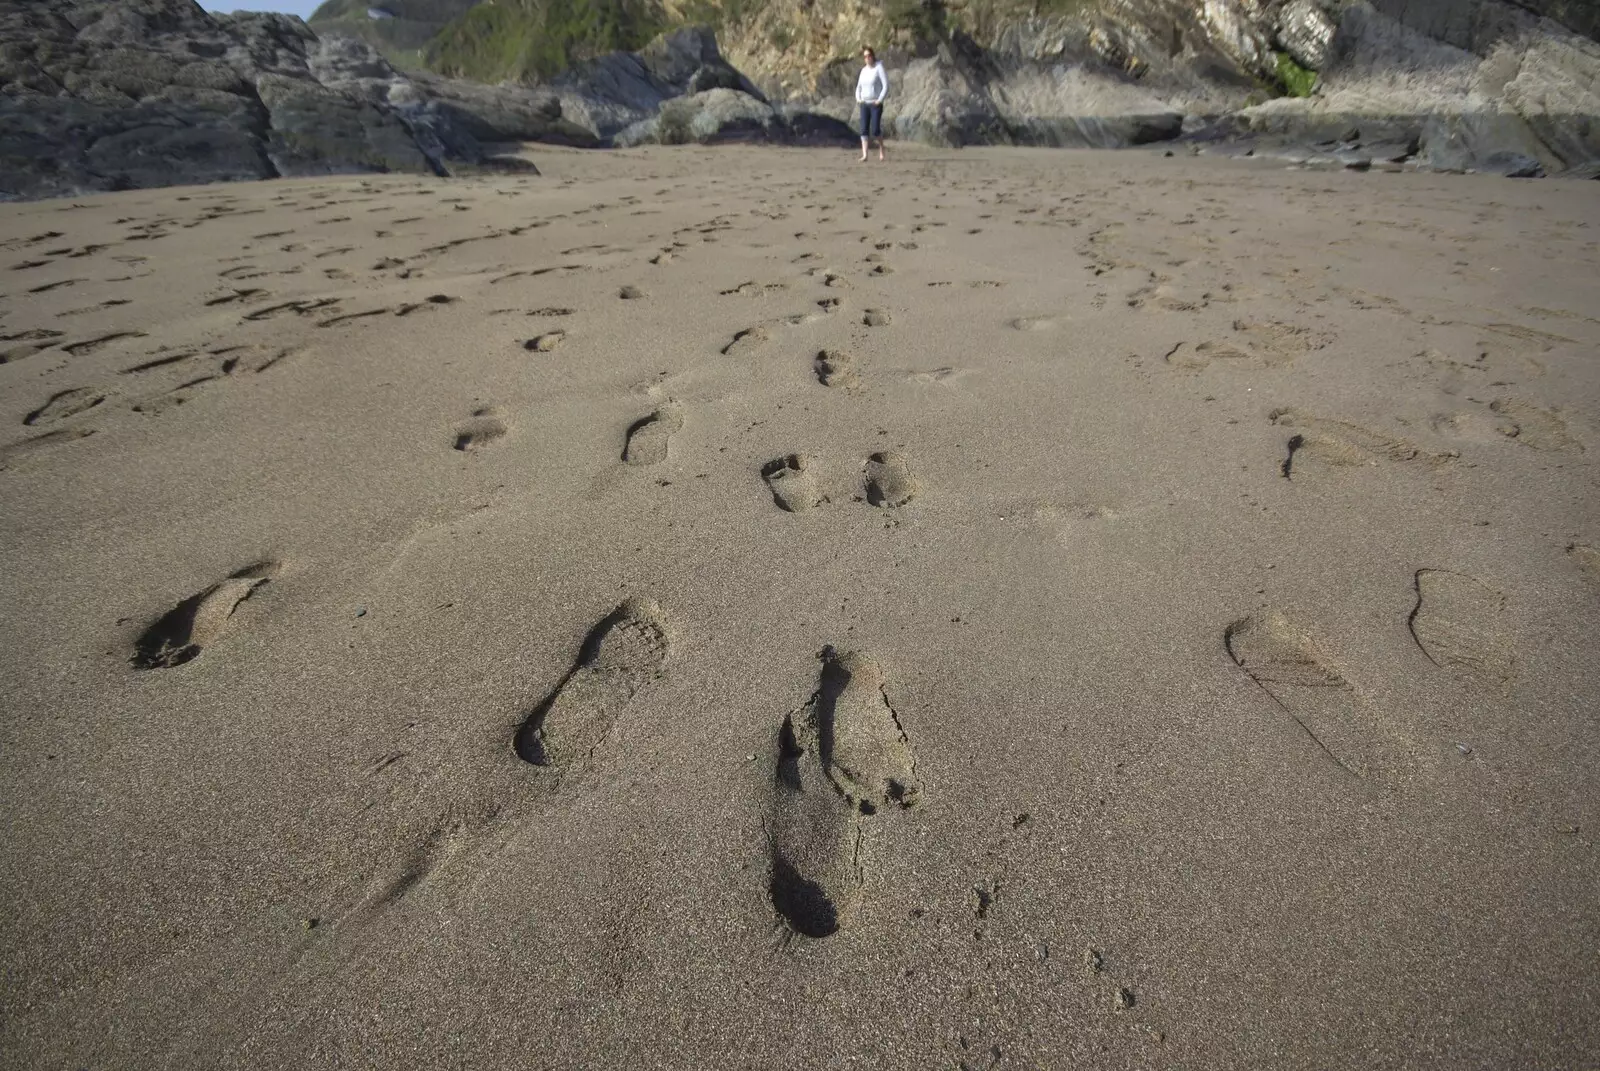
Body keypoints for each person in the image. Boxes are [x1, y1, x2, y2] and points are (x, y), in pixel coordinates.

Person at [855, 47, 888, 163]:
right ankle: (865, 155)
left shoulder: (879, 68)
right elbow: (858, 87)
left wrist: (879, 100)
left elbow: (885, 85)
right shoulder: (863, 71)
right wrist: (858, 99)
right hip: (864, 103)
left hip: (875, 103)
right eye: (865, 56)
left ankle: (881, 147)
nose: (867, 58)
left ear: (873, 56)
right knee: (863, 129)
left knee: (875, 130)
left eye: (869, 55)